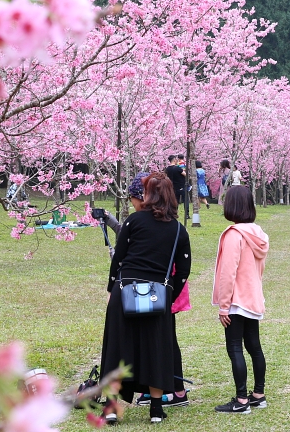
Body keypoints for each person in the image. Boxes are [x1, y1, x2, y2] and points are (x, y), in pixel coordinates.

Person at [100, 172, 192, 424]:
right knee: (156, 349)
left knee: (117, 349)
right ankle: (155, 409)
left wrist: (111, 289)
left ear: (149, 194)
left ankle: (110, 408)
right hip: (156, 296)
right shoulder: (177, 230)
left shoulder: (134, 221)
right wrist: (171, 292)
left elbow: (118, 259)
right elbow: (183, 269)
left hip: (125, 290)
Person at [212, 185, 270, 414]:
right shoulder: (258, 233)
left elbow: (228, 273)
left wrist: (224, 307)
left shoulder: (234, 235)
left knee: (235, 347)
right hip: (253, 298)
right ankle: (258, 394)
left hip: (236, 300)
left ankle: (241, 400)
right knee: (254, 346)